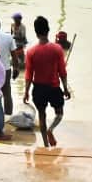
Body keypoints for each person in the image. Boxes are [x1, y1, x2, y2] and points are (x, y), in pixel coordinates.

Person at [25, 15, 70, 147]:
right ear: (48, 30)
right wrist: (65, 88)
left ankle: (45, 144)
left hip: (38, 89)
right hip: (54, 88)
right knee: (59, 113)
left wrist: (26, 92)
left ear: (36, 32)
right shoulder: (57, 49)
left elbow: (29, 75)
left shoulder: (31, 52)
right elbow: (62, 72)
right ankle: (51, 129)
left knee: (42, 115)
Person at [8, 12, 29, 109]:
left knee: (21, 57)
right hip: (14, 43)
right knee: (14, 58)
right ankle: (17, 67)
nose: (15, 21)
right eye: (14, 19)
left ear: (19, 19)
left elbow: (23, 37)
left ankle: (22, 66)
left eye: (16, 19)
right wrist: (10, 38)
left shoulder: (22, 27)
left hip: (21, 43)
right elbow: (11, 34)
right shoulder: (12, 25)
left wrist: (13, 37)